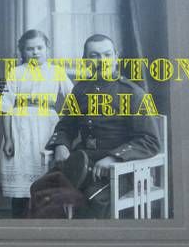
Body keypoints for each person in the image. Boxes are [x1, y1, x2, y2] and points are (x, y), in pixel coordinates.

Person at [34, 34, 160, 219]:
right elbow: (66, 125)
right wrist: (61, 144)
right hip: (82, 163)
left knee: (90, 198)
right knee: (40, 190)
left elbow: (150, 140)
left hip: (121, 169)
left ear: (116, 56)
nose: (102, 61)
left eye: (107, 54)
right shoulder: (80, 90)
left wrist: (114, 158)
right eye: (94, 56)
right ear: (86, 60)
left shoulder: (133, 93)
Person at [0, 30, 73, 218]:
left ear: (47, 49)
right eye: (30, 49)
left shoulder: (56, 71)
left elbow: (73, 96)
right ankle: (19, 219)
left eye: (39, 47)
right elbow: (6, 107)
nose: (35, 52)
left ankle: (45, 220)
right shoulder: (16, 72)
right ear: (22, 51)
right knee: (21, 181)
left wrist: (64, 116)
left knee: (45, 175)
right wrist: (8, 139)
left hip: (46, 127)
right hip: (20, 129)